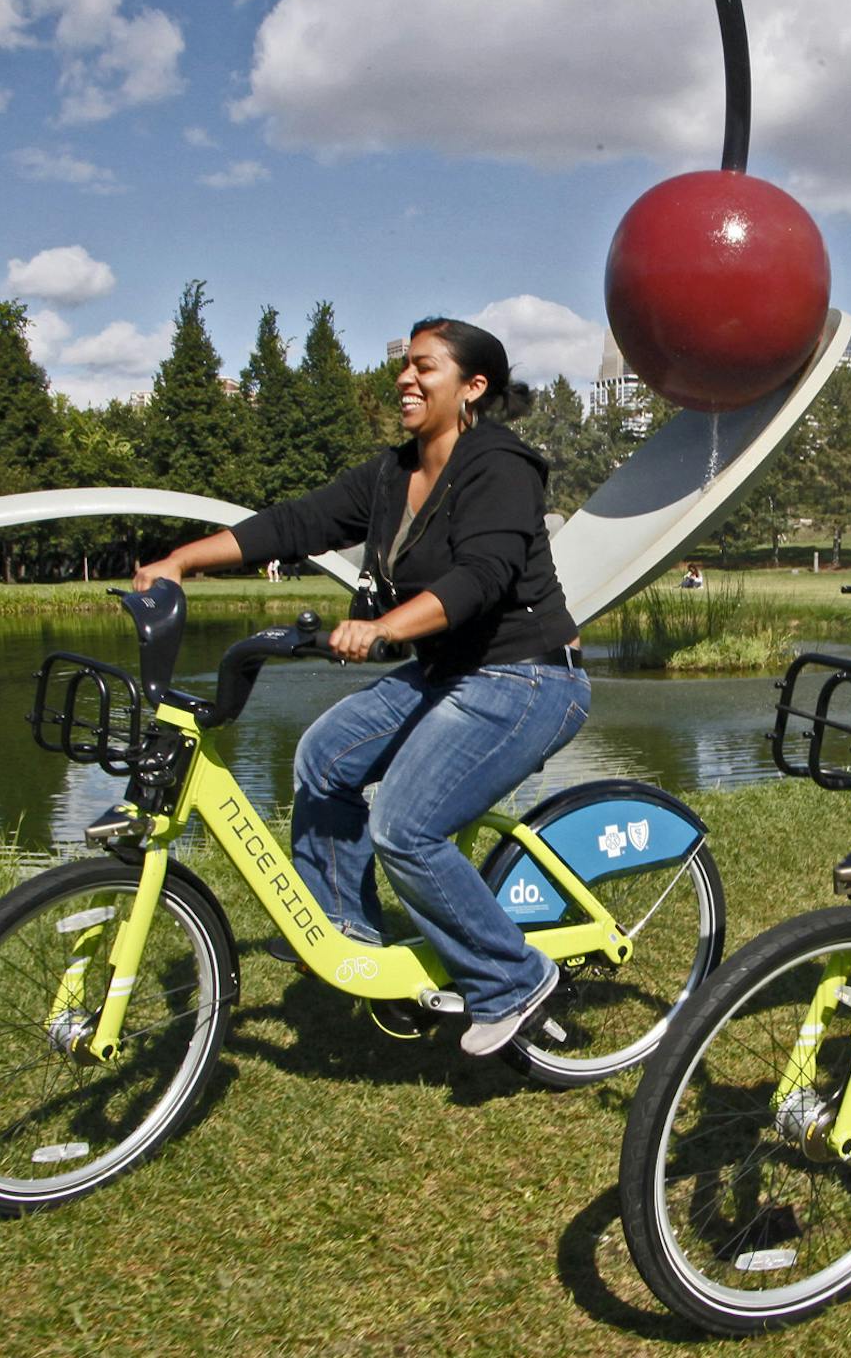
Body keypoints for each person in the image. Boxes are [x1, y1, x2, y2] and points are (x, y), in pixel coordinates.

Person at [133, 318, 588, 1057]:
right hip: (450, 671)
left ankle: (512, 979)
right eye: (404, 366)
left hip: (527, 676)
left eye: (425, 367)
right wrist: (181, 560)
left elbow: (482, 578)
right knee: (325, 756)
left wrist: (387, 628)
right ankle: (351, 941)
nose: (406, 379)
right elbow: (295, 523)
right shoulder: (391, 475)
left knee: (406, 826)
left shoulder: (500, 467)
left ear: (473, 388)